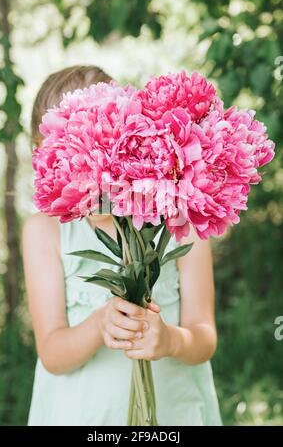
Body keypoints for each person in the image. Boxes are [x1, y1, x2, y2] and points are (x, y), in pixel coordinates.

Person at [22, 65, 222, 426]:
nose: (89, 174)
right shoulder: (43, 231)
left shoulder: (179, 216)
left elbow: (204, 338)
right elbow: (52, 353)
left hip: (175, 415)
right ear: (42, 158)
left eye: (99, 153)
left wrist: (171, 341)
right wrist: (100, 323)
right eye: (67, 160)